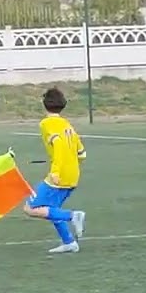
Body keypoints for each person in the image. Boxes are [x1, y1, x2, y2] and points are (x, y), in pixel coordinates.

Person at [22, 87, 87, 253]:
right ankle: (69, 242)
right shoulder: (67, 124)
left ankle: (73, 216)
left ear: (44, 104)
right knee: (52, 209)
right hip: (73, 173)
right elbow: (82, 153)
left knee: (31, 208)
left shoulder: (46, 123)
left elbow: (57, 143)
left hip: (60, 174)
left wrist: (56, 170)